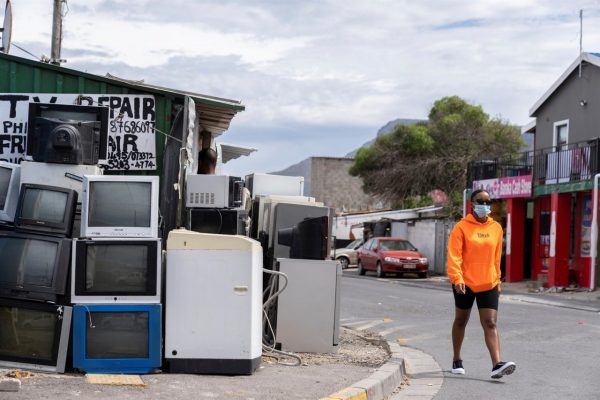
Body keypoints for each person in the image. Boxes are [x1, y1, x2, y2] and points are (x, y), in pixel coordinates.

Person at [446, 189, 516, 379]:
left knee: (490, 322)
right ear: (472, 203)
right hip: (465, 283)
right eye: (481, 201)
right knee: (461, 320)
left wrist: (498, 281)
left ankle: (497, 365)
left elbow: (496, 258)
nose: (485, 205)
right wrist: (456, 278)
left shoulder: (496, 228)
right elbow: (454, 256)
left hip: (489, 282)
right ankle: (456, 359)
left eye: (488, 201)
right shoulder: (461, 228)